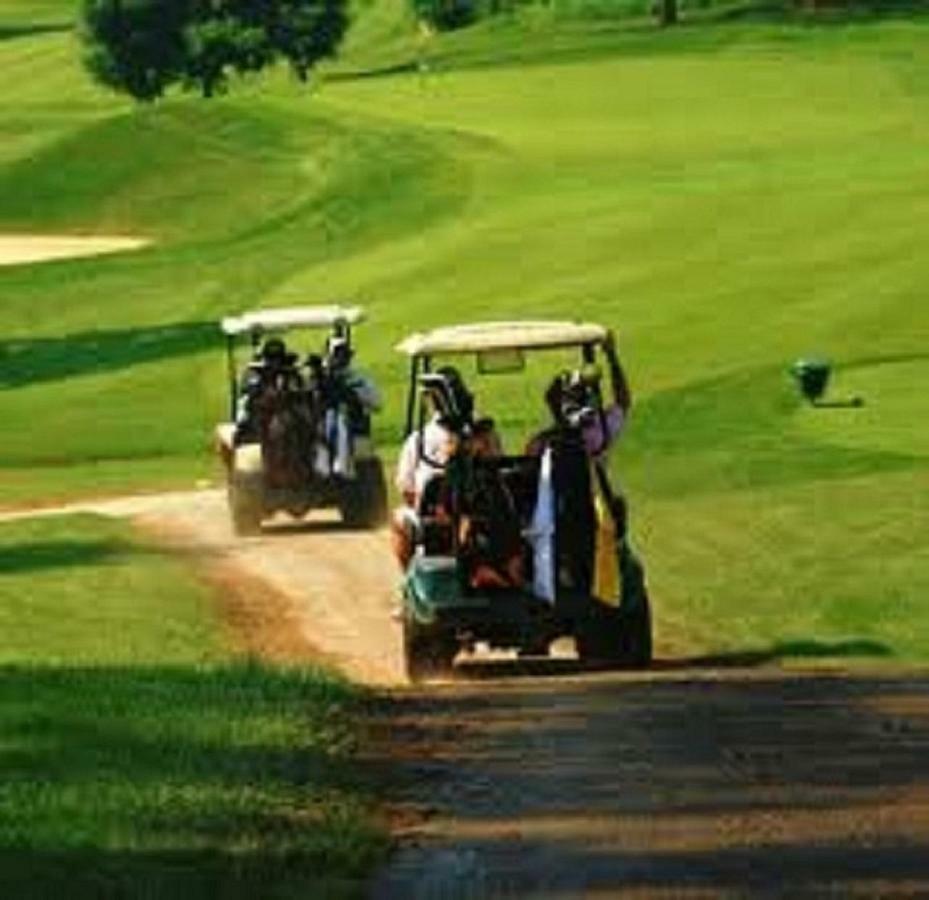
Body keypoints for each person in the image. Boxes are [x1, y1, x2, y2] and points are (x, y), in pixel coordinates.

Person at [391, 366, 501, 569]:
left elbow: (406, 489)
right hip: (480, 511)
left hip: (447, 515)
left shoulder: (420, 439)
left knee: (399, 518)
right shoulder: (486, 435)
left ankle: (408, 575)